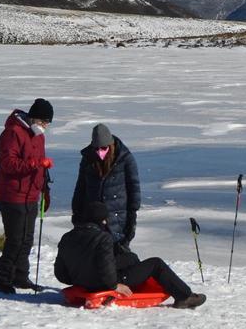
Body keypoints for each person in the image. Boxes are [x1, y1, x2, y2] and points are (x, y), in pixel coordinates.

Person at [55, 201, 206, 309]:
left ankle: (140, 283)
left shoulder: (67, 237)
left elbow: (61, 274)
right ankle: (184, 297)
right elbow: (105, 268)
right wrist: (114, 285)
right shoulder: (102, 238)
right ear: (101, 220)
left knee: (130, 258)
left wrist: (80, 278)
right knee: (156, 263)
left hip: (81, 281)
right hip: (102, 282)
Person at [0, 98, 54, 294]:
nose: (45, 126)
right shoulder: (12, 133)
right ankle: (3, 280)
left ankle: (20, 276)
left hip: (31, 194)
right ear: (33, 118)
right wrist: (36, 163)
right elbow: (8, 164)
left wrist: (44, 189)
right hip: (12, 195)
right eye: (43, 122)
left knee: (27, 239)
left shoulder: (38, 136)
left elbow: (39, 166)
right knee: (15, 239)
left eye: (48, 123)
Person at [72, 123, 141, 254]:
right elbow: (80, 188)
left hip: (117, 220)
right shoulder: (88, 160)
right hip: (93, 218)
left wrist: (131, 220)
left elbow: (134, 189)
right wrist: (77, 214)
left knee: (116, 258)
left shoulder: (125, 159)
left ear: (110, 145)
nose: (100, 152)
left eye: (103, 148)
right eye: (97, 148)